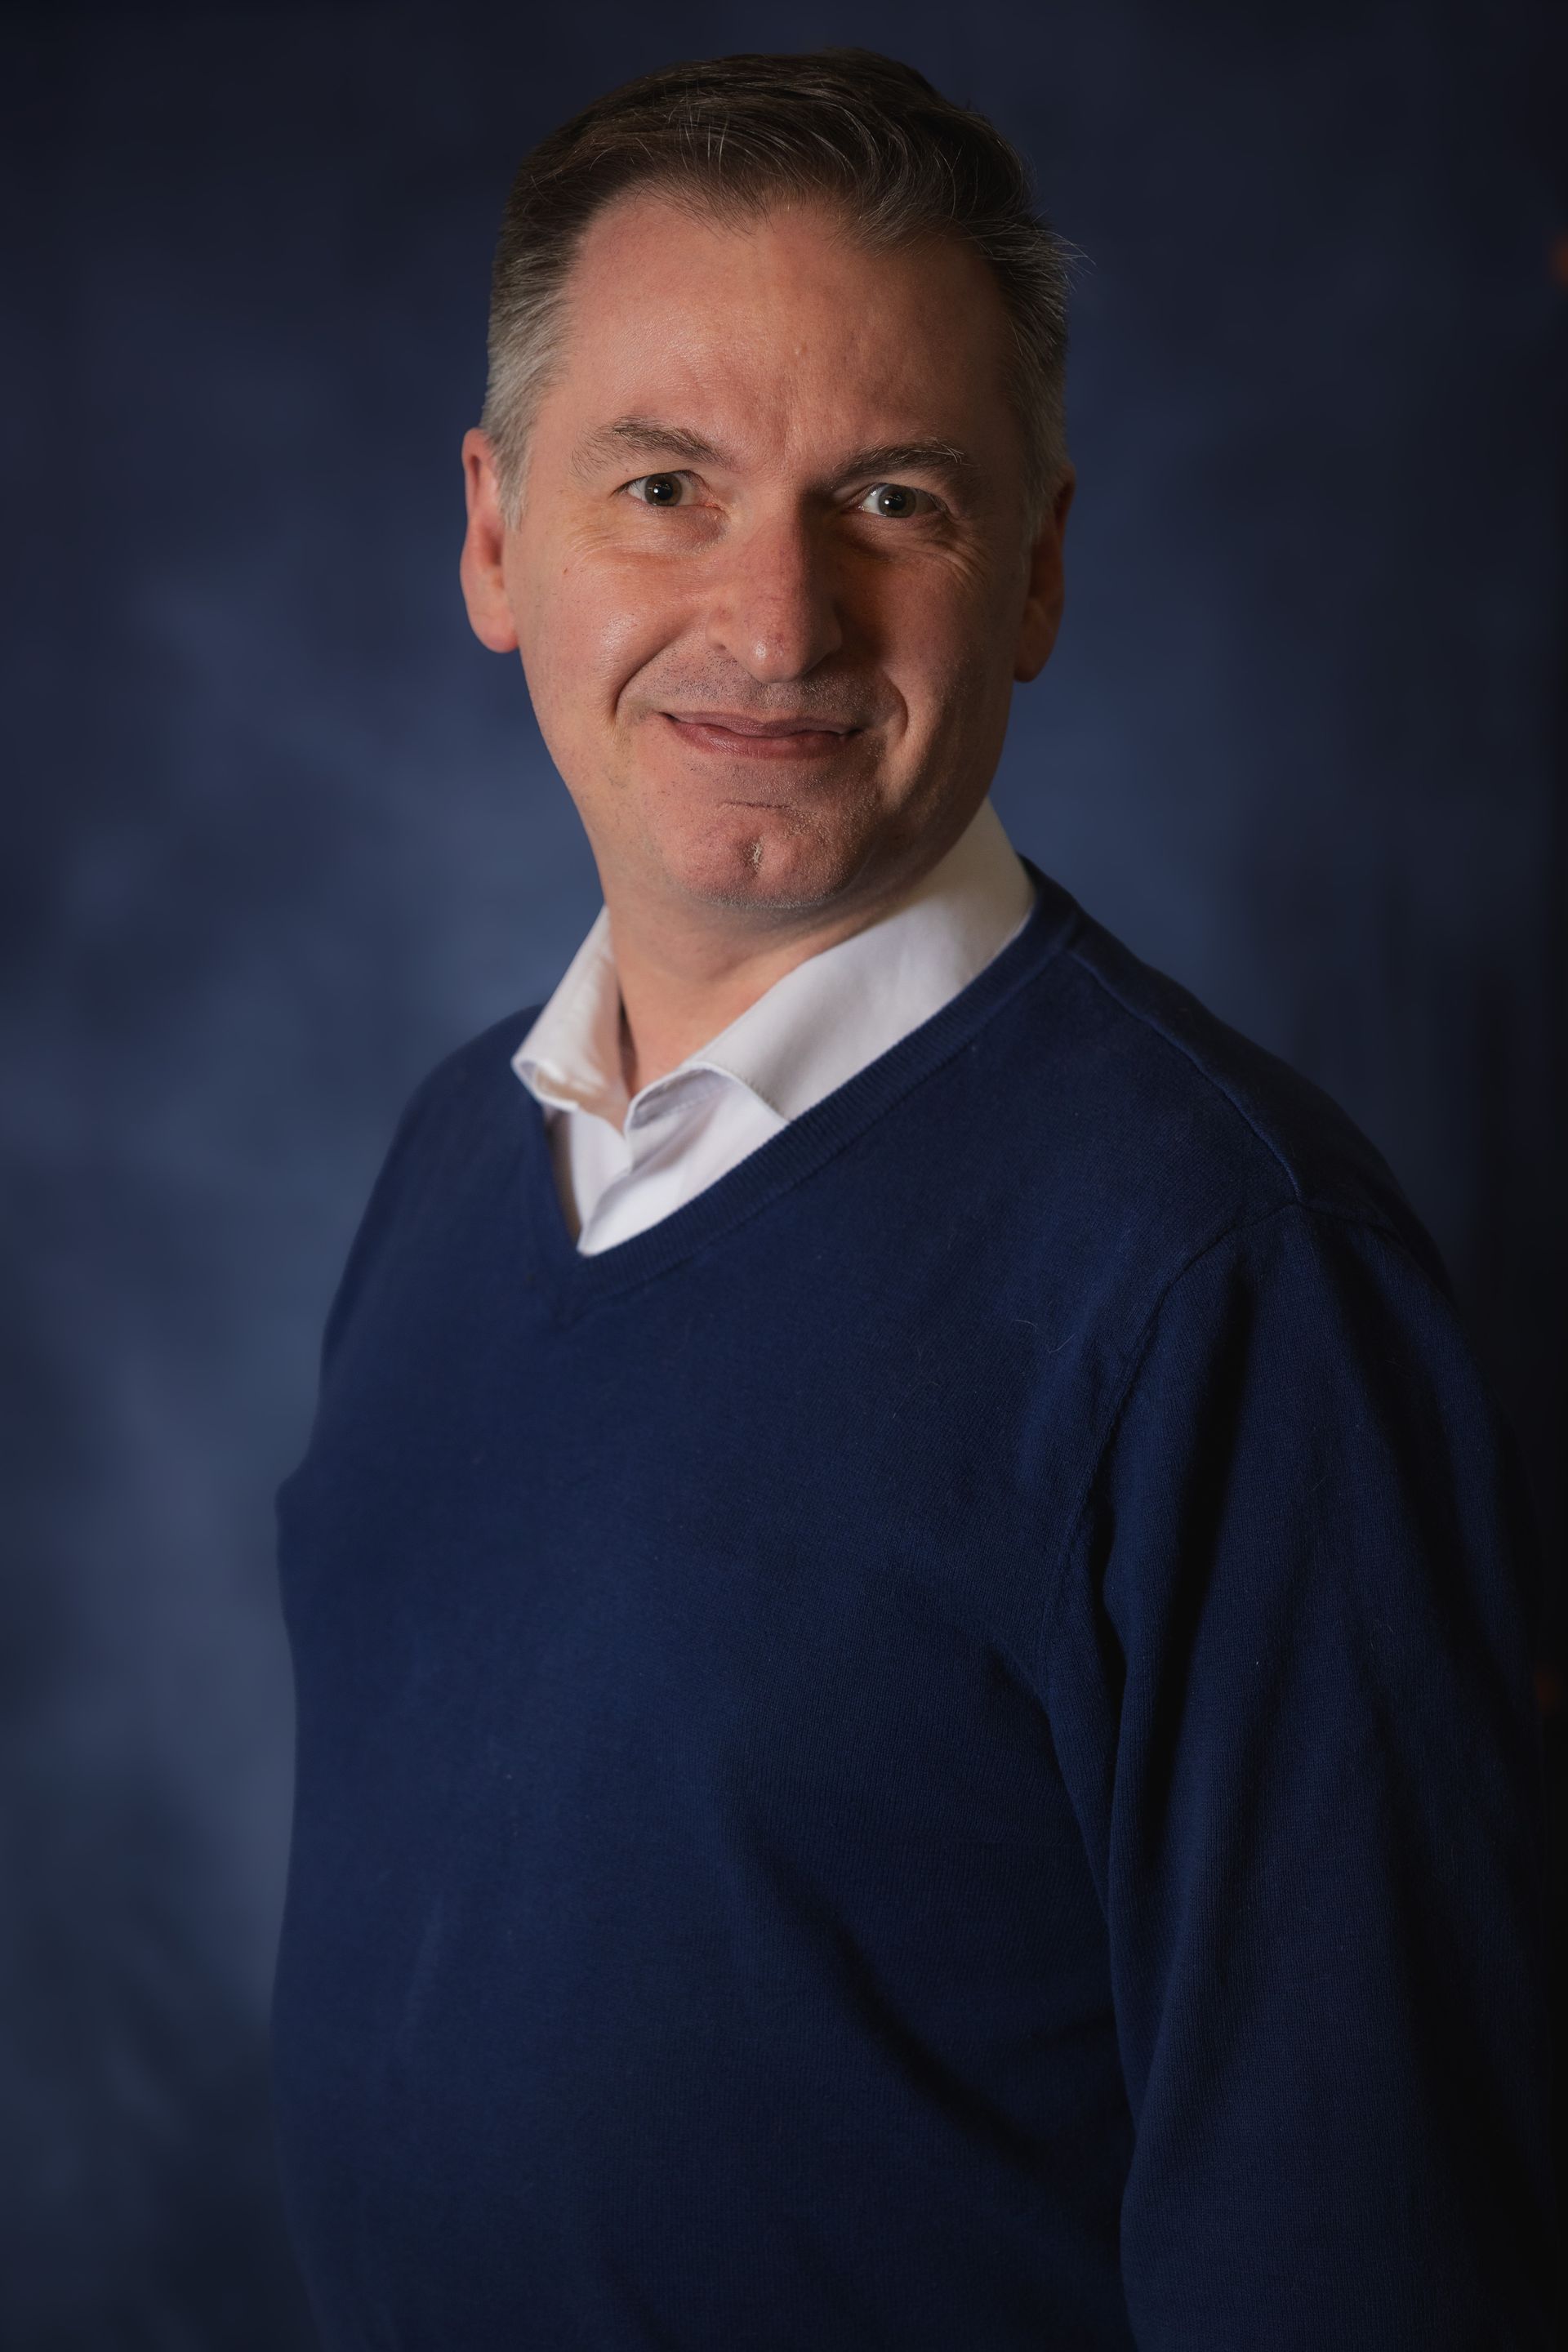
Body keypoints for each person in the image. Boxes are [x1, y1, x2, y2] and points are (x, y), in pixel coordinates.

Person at [268, 48, 1555, 2352]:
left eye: (892, 499)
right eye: (665, 485)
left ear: (1039, 567)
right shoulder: (458, 1156)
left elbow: (1365, 2259)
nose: (776, 622)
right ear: (493, 537)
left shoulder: (1221, 1277)